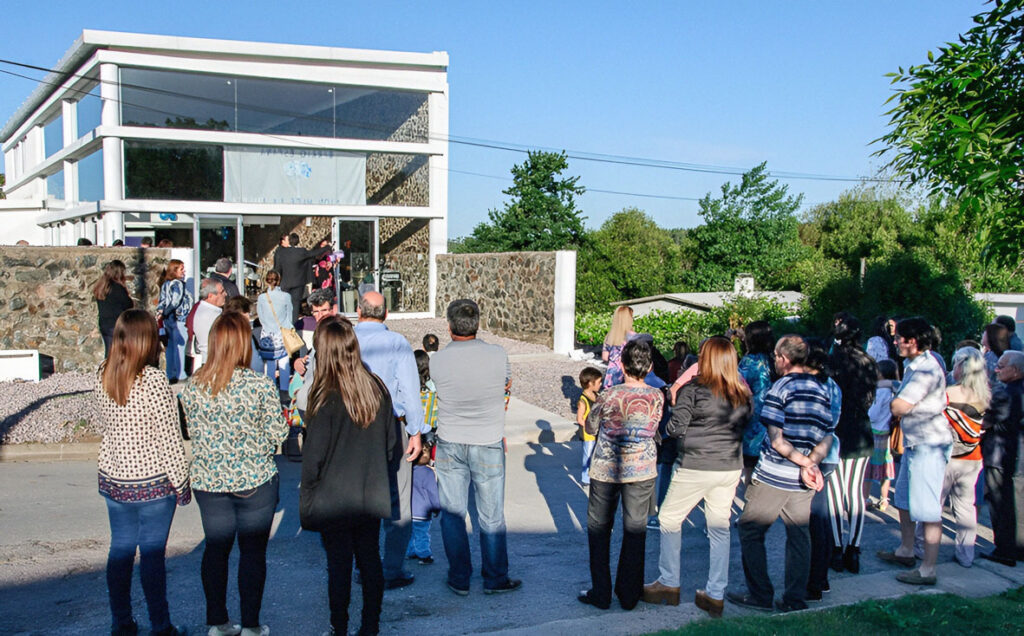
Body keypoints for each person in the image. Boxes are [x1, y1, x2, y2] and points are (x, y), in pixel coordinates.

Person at [179, 312, 288, 636]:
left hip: (209, 481)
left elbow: (190, 431)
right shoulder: (259, 386)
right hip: (255, 480)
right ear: (243, 345)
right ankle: (252, 625)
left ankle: (218, 622)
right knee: (252, 553)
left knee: (216, 549)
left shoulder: (193, 385)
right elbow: (279, 434)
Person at [301, 318, 400, 636]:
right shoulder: (377, 389)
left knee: (339, 566)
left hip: (334, 497)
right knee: (370, 559)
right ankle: (371, 625)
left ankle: (339, 626)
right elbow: (391, 446)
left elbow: (313, 459)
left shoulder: (324, 398)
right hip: (370, 491)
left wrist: (308, 495)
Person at [95, 309, 189, 636]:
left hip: (115, 477)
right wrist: (182, 483)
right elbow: (169, 438)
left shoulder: (104, 373)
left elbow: (104, 426)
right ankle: (160, 625)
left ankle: (121, 622)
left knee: (120, 549)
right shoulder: (153, 381)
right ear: (147, 340)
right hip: (152, 482)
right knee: (151, 555)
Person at [643, 336, 751, 618]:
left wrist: (665, 418)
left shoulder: (694, 389)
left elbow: (676, 428)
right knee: (718, 527)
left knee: (668, 518)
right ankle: (715, 592)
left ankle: (669, 581)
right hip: (728, 466)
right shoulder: (741, 392)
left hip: (695, 463)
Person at [728, 335, 833, 613]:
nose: (774, 361)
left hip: (776, 473)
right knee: (799, 536)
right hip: (804, 478)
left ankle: (760, 594)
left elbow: (776, 439)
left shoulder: (780, 389)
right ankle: (794, 598)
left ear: (784, 359)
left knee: (750, 529)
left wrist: (801, 461)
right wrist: (811, 462)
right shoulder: (820, 390)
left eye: (776, 356)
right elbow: (827, 435)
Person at [431, 298, 521, 596]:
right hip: (487, 439)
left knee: (453, 513)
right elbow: (507, 384)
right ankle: (495, 577)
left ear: (449, 326)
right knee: (491, 515)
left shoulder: (437, 360)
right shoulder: (498, 355)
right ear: (477, 324)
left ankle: (459, 578)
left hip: (450, 440)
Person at [579, 339, 663, 610]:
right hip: (642, 468)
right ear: (649, 367)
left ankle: (601, 592)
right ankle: (629, 594)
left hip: (606, 468)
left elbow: (591, 425)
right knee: (635, 531)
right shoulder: (657, 395)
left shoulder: (609, 395)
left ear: (623, 366)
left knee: (599, 529)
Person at [353, 291, 426, 590]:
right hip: (391, 425)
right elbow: (410, 390)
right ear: (386, 314)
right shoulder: (396, 342)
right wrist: (416, 430)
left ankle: (363, 564)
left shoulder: (344, 339)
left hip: (352, 428)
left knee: (358, 498)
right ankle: (392, 568)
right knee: (398, 498)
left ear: (358, 310)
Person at [877, 317, 950, 586]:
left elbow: (900, 406)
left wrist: (894, 398)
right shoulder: (913, 365)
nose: (895, 341)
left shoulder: (926, 370)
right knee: (904, 500)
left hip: (928, 445)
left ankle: (928, 569)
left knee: (928, 509)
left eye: (899, 337)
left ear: (914, 341)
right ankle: (906, 550)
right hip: (914, 443)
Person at [914, 346, 990, 567]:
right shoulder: (986, 396)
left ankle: (921, 548)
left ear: (961, 366)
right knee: (966, 507)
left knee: (932, 505)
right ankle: (966, 554)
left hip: (944, 457)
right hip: (973, 457)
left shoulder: (947, 394)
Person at [826, 313, 878, 574]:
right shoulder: (868, 361)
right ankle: (853, 549)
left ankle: (836, 548)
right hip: (860, 427)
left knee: (835, 491)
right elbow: (870, 399)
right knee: (855, 491)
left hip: (836, 429)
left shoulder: (832, 361)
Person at [980, 350, 1024, 566]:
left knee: (1001, 505)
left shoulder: (1006, 393)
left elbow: (985, 422)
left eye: (1001, 366)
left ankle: (1005, 550)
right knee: (1014, 504)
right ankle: (1016, 548)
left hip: (999, 453)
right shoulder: (1017, 390)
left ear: (1015, 371)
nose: (996, 369)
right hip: (1015, 454)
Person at [407, 349, 441, 565]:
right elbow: (436, 416)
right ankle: (423, 552)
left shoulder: (410, 390)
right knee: (426, 475)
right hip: (428, 434)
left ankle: (411, 549)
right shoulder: (432, 390)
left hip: (411, 433)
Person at [738, 321, 776, 483]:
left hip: (754, 424)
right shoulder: (776, 360)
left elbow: (737, 387)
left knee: (751, 474)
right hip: (776, 422)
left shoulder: (749, 362)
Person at [274, 232, 331, 323]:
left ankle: (283, 323)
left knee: (284, 304)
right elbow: (314, 253)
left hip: (284, 283)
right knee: (295, 305)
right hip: (298, 283)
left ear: (289, 241)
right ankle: (293, 325)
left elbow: (277, 268)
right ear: (298, 241)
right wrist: (327, 248)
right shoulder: (301, 252)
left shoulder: (281, 252)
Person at [866, 359, 899, 512]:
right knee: (886, 467)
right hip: (888, 433)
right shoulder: (894, 390)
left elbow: (873, 414)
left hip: (875, 433)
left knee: (869, 468)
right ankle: (884, 499)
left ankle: (864, 498)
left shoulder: (880, 392)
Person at [154, 259, 192, 383]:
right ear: (174, 270)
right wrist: (167, 311)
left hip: (168, 320)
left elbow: (162, 301)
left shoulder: (165, 284)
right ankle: (181, 374)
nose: (184, 271)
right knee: (180, 347)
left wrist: (161, 313)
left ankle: (170, 373)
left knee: (170, 347)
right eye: (181, 269)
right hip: (179, 318)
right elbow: (175, 301)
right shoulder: (178, 284)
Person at [256, 271, 294, 392]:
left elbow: (260, 317)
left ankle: (271, 390)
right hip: (282, 332)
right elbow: (290, 317)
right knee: (284, 363)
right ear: (279, 280)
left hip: (267, 333)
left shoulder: (262, 298)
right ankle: (284, 390)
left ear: (266, 281)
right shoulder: (286, 296)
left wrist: (268, 326)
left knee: (270, 364)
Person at [93, 259, 134, 357]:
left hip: (104, 324)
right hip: (116, 324)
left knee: (108, 352)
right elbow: (128, 304)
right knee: (119, 354)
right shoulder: (118, 288)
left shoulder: (102, 286)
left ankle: (105, 371)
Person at [576, 367, 603, 486]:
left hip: (596, 431)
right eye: (598, 382)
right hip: (588, 434)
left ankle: (593, 474)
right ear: (590, 383)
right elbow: (580, 419)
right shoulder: (583, 400)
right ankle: (585, 478)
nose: (600, 384)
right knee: (588, 455)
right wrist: (589, 427)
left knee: (595, 455)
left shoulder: (597, 395)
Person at [192, 278, 226, 371]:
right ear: (211, 296)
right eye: (222, 292)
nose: (225, 294)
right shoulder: (211, 315)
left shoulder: (201, 309)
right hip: (215, 363)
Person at [601, 306, 636, 388]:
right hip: (628, 373)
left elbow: (605, 357)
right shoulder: (634, 337)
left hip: (612, 374)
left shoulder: (610, 336)